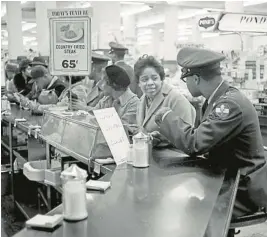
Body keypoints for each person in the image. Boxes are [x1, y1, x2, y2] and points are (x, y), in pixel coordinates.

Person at [153, 47, 267, 220]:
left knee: (188, 213)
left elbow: (195, 143)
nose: (186, 84)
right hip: (228, 177)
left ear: (196, 79)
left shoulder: (228, 106)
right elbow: (203, 136)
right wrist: (165, 136)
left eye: (186, 80)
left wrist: (166, 117)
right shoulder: (217, 100)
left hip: (242, 189)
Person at [134, 55, 196, 147]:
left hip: (175, 156)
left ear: (162, 79)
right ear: (139, 83)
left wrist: (161, 139)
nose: (150, 83)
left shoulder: (176, 99)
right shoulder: (142, 100)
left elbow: (187, 138)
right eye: (144, 79)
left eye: (154, 78)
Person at [73, 65, 140, 133]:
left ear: (113, 84)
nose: (99, 84)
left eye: (103, 80)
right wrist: (83, 109)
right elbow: (95, 113)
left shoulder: (134, 103)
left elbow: (124, 130)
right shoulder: (106, 99)